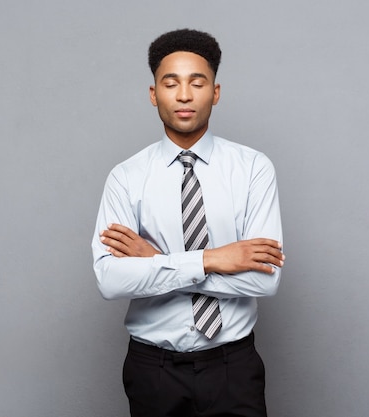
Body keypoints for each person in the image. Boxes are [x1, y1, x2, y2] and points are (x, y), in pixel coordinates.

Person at [92, 28, 285, 417]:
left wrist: (157, 260)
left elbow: (265, 278)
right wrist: (210, 259)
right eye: (171, 83)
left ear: (214, 92)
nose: (184, 95)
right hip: (153, 371)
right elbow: (111, 281)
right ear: (153, 94)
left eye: (197, 83)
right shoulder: (126, 177)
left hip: (234, 368)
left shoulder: (253, 169)